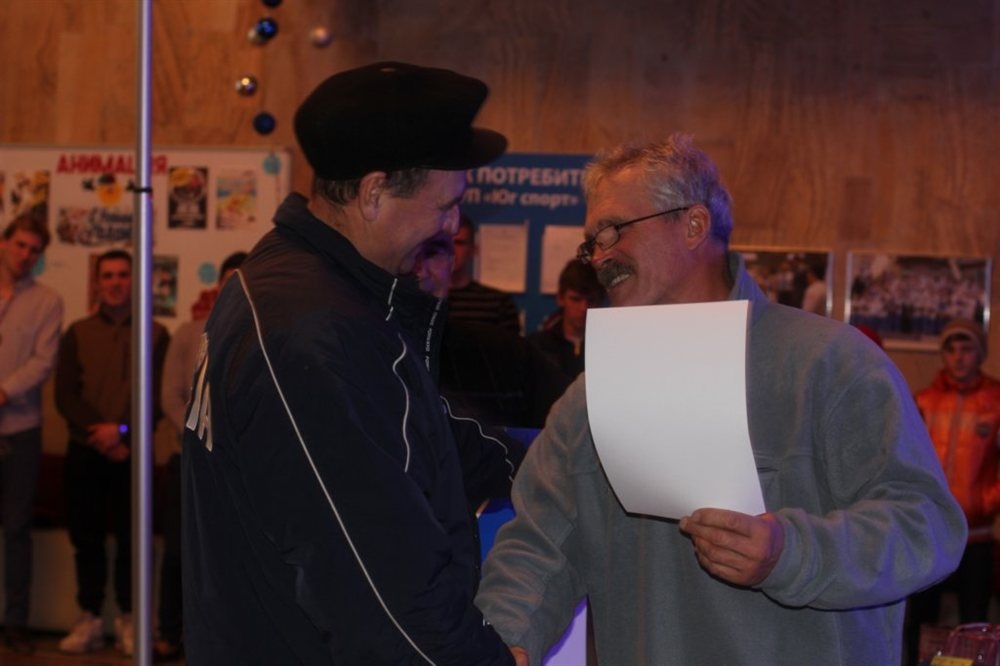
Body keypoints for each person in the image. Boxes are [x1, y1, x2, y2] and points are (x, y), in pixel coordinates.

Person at [475, 134, 967, 665]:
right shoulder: (588, 401)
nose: (600, 256)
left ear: (694, 225)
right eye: (592, 241)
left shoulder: (830, 365)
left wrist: (790, 552)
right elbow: (537, 548)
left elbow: (927, 526)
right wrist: (504, 641)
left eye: (615, 230)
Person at [181, 61, 520, 664]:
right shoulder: (312, 332)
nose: (451, 225)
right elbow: (378, 584)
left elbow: (413, 434)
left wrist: (547, 465)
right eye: (446, 205)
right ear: (373, 193)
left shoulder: (296, 281)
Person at [55, 249, 170, 656]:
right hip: (85, 452)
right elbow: (66, 396)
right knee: (85, 538)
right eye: (108, 276)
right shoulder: (77, 332)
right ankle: (88, 617)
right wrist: (102, 433)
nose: (116, 282)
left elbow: (156, 397)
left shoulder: (156, 334)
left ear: (134, 281)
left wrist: (121, 432)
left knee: (131, 539)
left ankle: (129, 619)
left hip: (132, 454)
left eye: (123, 275)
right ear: (98, 282)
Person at [155, 251, 246, 662]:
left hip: (238, 468)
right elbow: (170, 396)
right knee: (178, 551)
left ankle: (222, 638)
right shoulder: (188, 333)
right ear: (217, 285)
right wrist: (200, 439)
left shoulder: (260, 334)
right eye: (227, 279)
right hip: (188, 460)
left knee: (229, 556)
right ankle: (168, 631)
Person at [906, 318, 1000, 663]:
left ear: (981, 354)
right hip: (930, 534)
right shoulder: (923, 401)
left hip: (976, 536)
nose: (959, 357)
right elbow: (908, 460)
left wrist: (986, 502)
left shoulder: (996, 400)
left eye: (967, 349)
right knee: (921, 622)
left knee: (974, 622)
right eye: (952, 349)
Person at [0, 212, 63, 655]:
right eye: (20, 245)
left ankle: (16, 622)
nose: (25, 255)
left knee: (17, 528)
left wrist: (3, 391)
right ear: (5, 242)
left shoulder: (48, 301)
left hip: (20, 429)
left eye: (34, 250)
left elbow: (44, 362)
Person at [527, 259, 605, 382]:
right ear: (560, 298)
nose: (583, 308)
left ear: (600, 301)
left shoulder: (609, 346)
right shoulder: (537, 346)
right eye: (575, 299)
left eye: (591, 300)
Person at [447, 214, 521, 334]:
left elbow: (511, 345)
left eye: (459, 243)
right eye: (445, 243)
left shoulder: (498, 303)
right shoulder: (424, 300)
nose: (452, 249)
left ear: (473, 250)